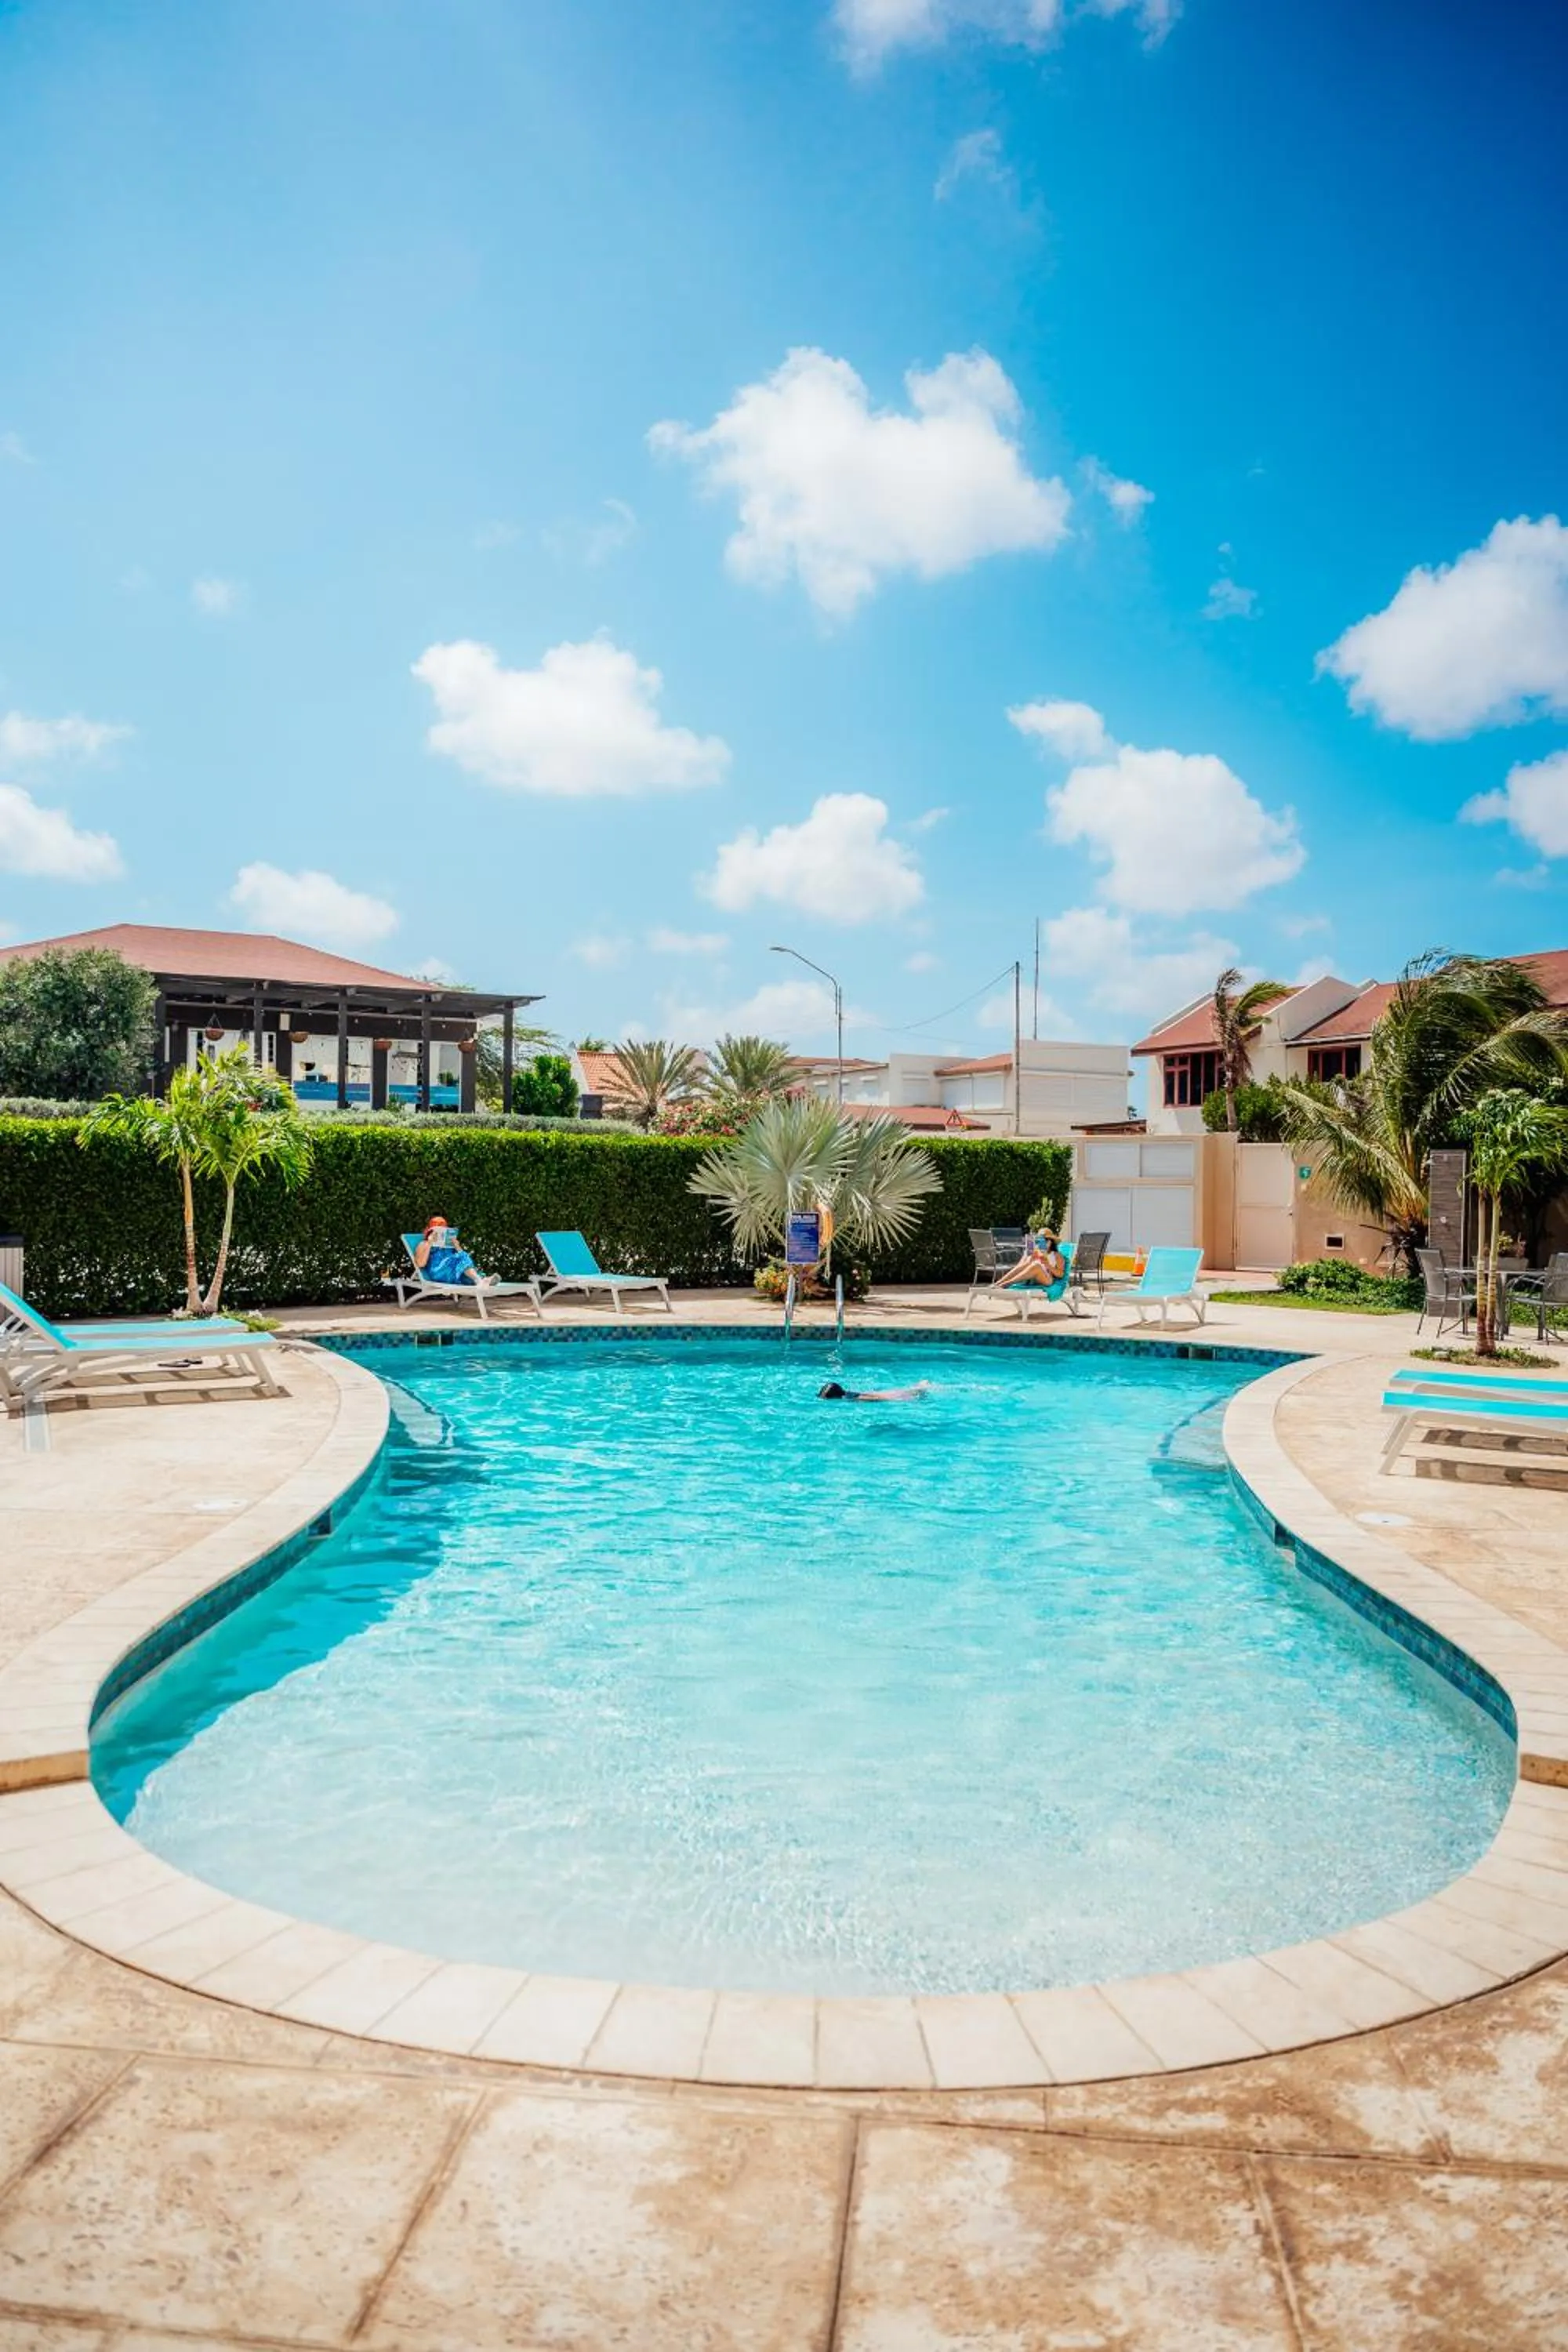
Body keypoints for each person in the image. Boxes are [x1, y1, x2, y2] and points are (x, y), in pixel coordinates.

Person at [413, 1216, 496, 1289]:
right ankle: (480, 1280)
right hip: (438, 1272)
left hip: (452, 1272)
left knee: (465, 1273)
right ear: (430, 1232)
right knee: (459, 1258)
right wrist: (429, 1244)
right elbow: (420, 1264)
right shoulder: (423, 1244)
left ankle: (482, 1280)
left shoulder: (448, 1245)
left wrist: (457, 1246)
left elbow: (463, 1261)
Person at [996, 1231, 1068, 1293]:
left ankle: (1007, 1284)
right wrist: (1028, 1260)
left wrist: (1048, 1265)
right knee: (1032, 1263)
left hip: (1046, 1279)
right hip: (1029, 1278)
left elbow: (1061, 1274)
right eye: (1038, 1241)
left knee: (1037, 1265)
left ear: (1051, 1242)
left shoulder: (1056, 1255)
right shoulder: (1034, 1252)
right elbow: (1019, 1267)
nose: (1043, 1243)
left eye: (1046, 1240)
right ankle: (998, 1283)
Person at [818, 1379, 931, 1402]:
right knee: (905, 1392)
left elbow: (876, 1399)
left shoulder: (853, 1398)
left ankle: (922, 1387)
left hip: (881, 1396)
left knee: (910, 1394)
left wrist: (890, 1400)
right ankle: (920, 1387)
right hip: (876, 1394)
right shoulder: (847, 1395)